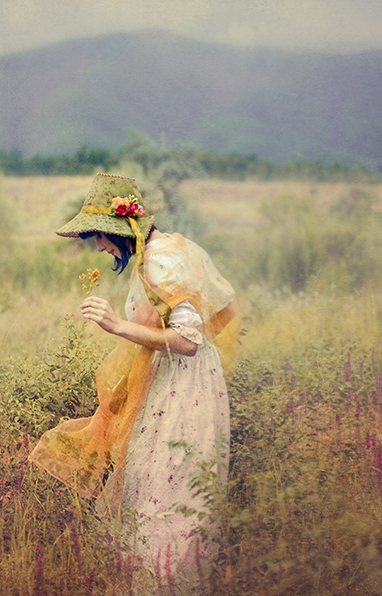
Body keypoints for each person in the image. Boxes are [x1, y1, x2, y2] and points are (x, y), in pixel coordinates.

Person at [29, 173, 241, 580]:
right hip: (178, 379)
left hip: (182, 385)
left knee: (164, 482)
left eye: (101, 236)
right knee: (159, 481)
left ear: (123, 230)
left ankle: (160, 581)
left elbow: (188, 340)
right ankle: (151, 579)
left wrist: (116, 325)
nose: (99, 246)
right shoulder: (166, 248)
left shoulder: (161, 260)